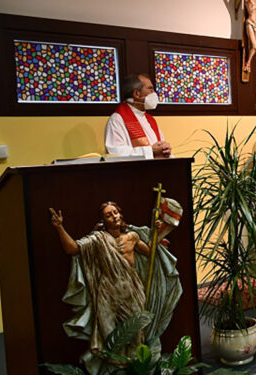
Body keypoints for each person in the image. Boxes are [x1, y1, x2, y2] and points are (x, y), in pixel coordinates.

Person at [49, 201, 182, 374]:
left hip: (131, 292)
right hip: (107, 295)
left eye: (115, 212)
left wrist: (157, 231)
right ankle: (115, 371)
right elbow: (72, 249)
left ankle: (137, 370)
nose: (114, 217)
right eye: (108, 215)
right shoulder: (98, 239)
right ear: (103, 220)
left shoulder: (132, 237)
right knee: (110, 337)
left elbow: (150, 251)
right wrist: (59, 227)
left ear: (120, 214)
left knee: (136, 334)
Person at [105, 73, 172, 159]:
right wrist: (150, 151)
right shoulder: (117, 119)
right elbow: (115, 154)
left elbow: (159, 147)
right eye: (150, 89)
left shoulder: (150, 120)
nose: (154, 93)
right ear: (137, 93)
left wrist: (165, 150)